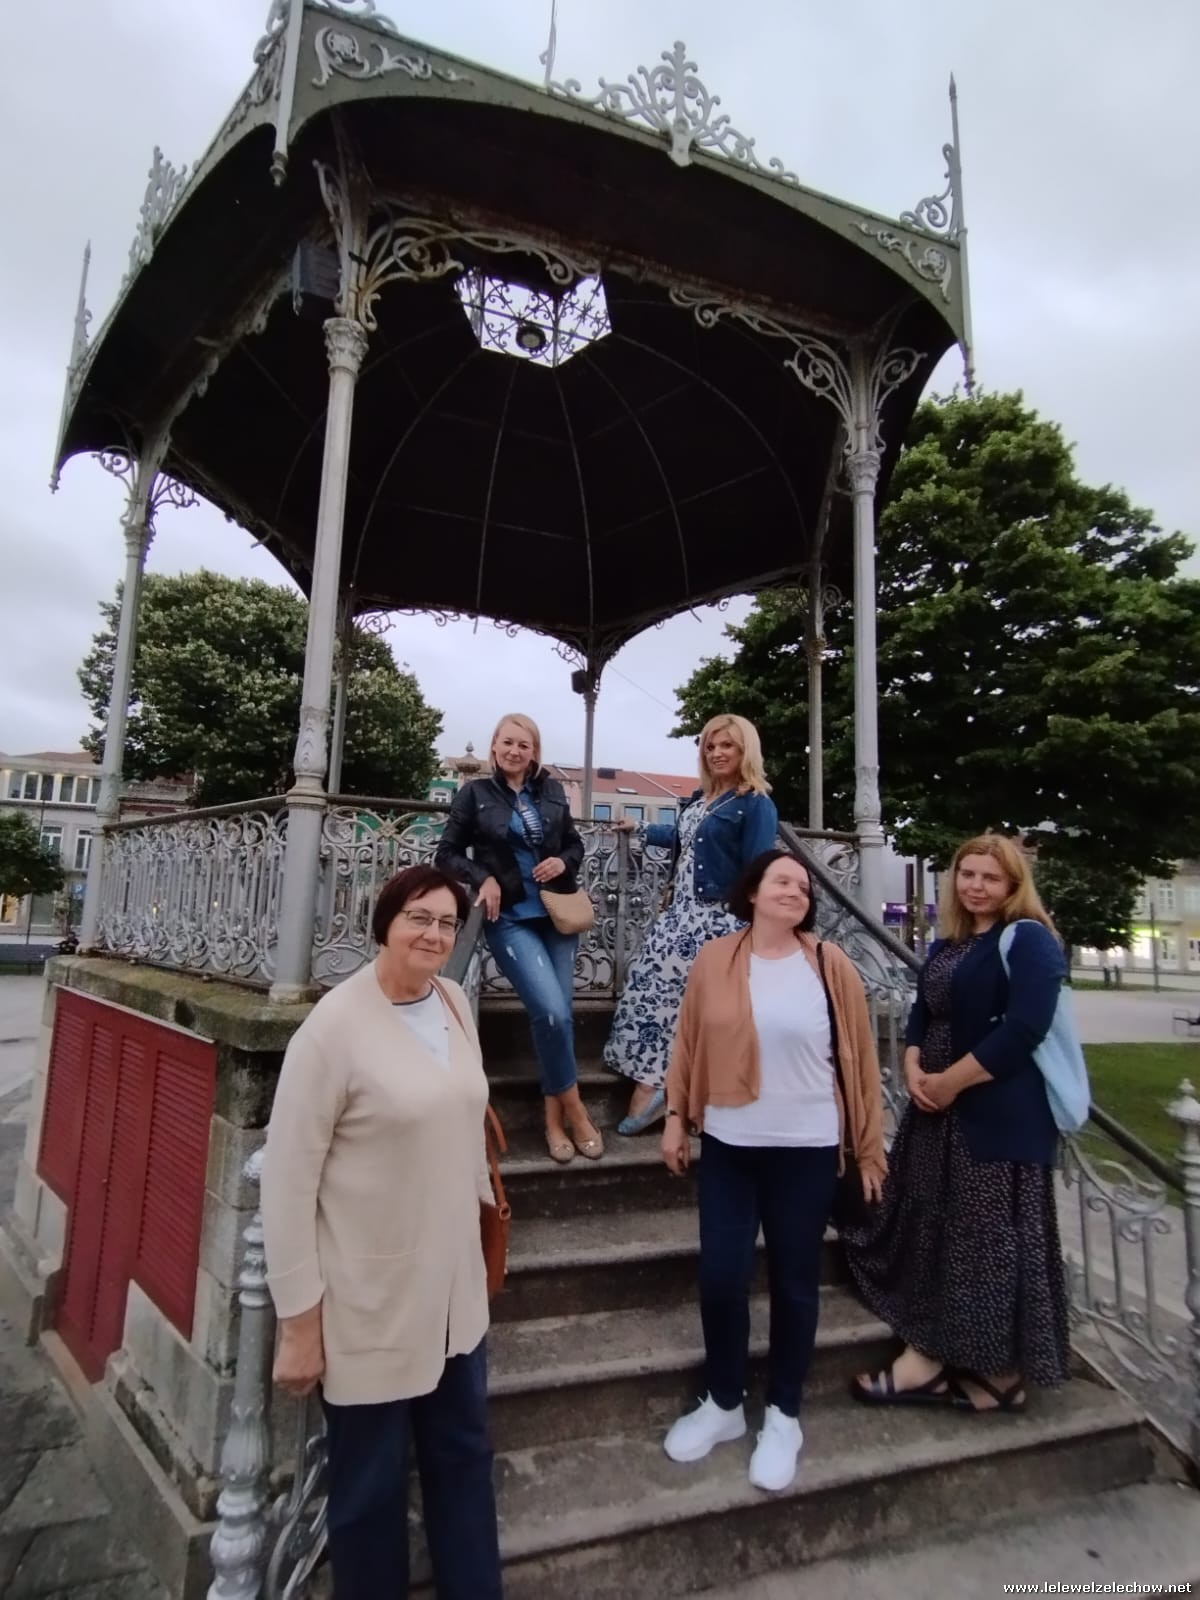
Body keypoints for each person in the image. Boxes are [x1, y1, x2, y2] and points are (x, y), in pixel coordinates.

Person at [261, 864, 503, 1600]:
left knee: (464, 1461)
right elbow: (288, 1181)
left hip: (454, 1296)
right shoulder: (333, 1029)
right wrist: (299, 1323)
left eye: (447, 923)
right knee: (367, 1489)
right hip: (369, 1298)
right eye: (418, 918)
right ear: (385, 924)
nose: (434, 934)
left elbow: (464, 1121)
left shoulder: (454, 1002)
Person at [660, 850, 886, 1491]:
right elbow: (688, 1041)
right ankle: (724, 1402)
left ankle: (784, 1413)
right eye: (782, 880)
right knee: (721, 1278)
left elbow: (861, 1061)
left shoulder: (830, 964)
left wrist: (869, 1148)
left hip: (807, 1147)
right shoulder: (716, 959)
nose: (796, 890)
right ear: (753, 892)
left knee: (795, 1283)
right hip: (730, 1144)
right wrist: (675, 1117)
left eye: (804, 885)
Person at [847, 833, 1072, 1413]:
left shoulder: (1029, 940)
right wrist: (912, 1063)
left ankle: (987, 1371)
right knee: (940, 1231)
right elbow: (922, 1013)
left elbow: (1024, 1029)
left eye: (990, 878)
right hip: (935, 1113)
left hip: (995, 1116)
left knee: (984, 1243)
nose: (976, 886)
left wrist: (951, 1082)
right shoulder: (952, 942)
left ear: (1013, 884)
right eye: (967, 874)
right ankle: (948, 1360)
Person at [435, 713, 603, 1164]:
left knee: (557, 1018)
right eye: (507, 742)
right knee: (551, 1010)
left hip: (557, 913)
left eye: (523, 745)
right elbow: (446, 854)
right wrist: (482, 877)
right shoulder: (475, 794)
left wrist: (564, 863)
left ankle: (552, 1121)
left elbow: (574, 845)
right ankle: (576, 1109)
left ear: (534, 752)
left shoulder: (551, 791)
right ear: (494, 746)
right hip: (509, 915)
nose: (514, 751)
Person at [604, 714, 778, 1135]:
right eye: (710, 746)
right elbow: (684, 839)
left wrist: (753, 932)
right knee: (645, 991)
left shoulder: (755, 803)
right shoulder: (701, 799)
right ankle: (663, 1087)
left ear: (745, 750)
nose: (716, 753)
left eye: (727, 746)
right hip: (679, 915)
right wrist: (642, 827)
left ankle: (658, 1091)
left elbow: (759, 870)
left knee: (682, 1005)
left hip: (718, 921)